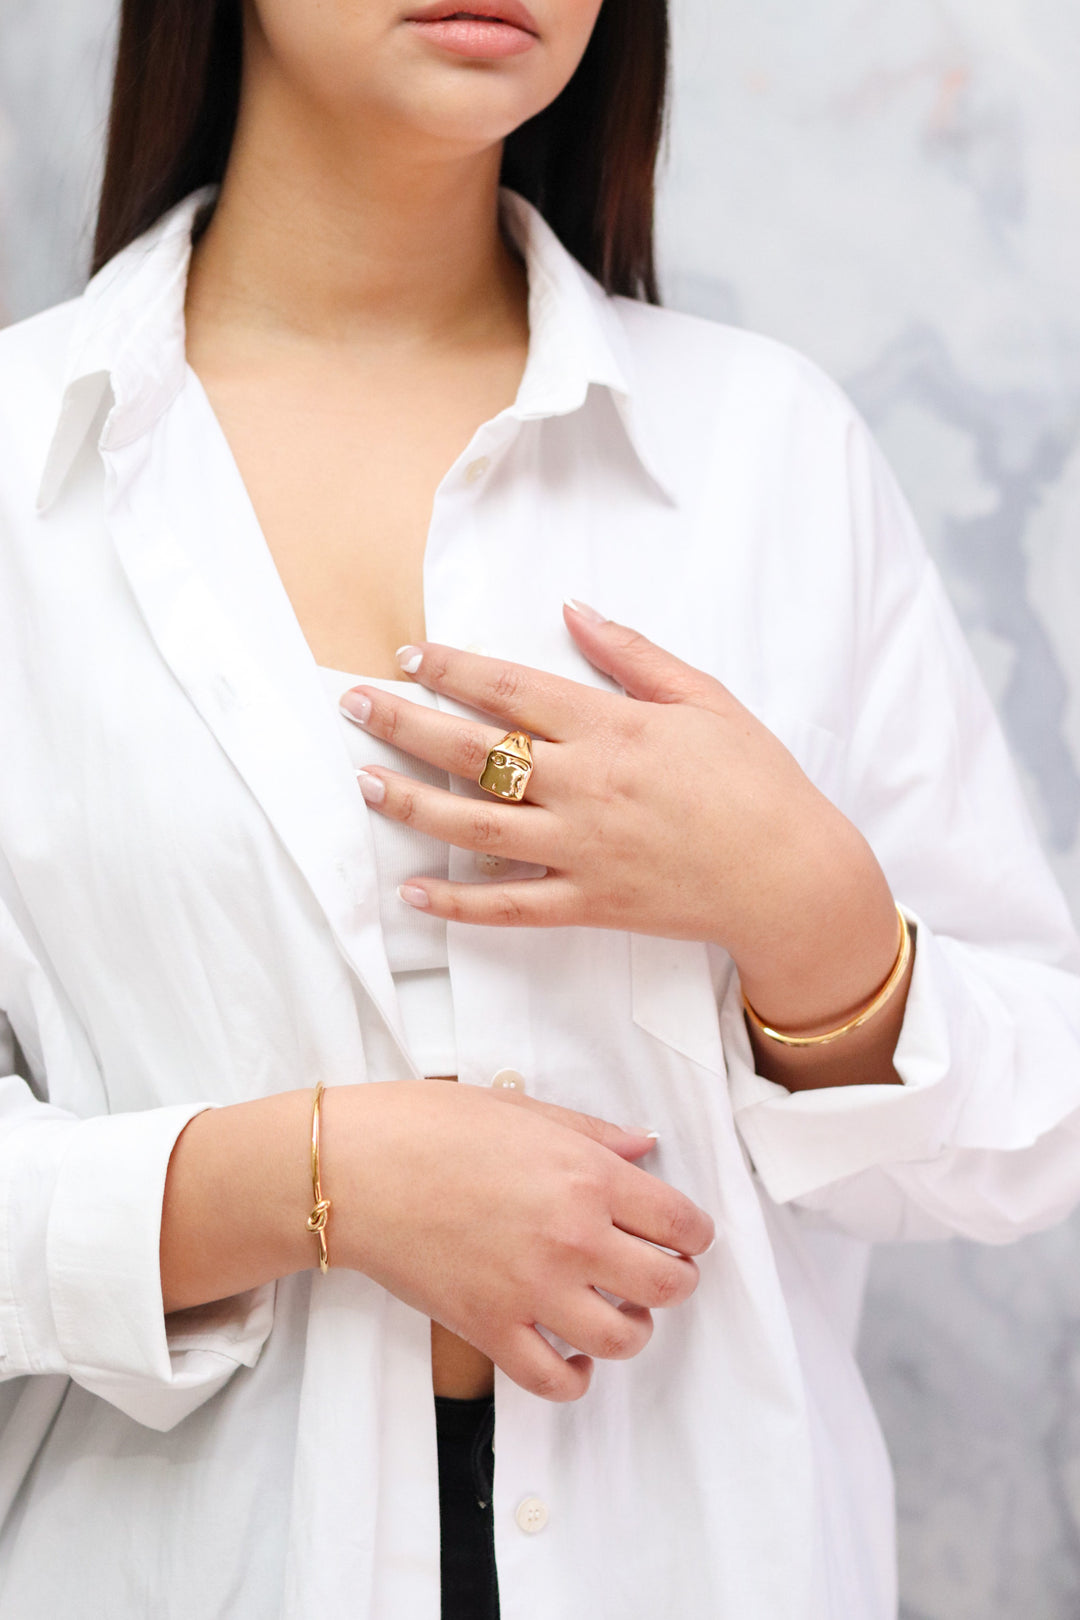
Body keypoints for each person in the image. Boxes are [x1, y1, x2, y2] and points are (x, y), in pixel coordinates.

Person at [0, 0, 1078, 1615]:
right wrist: (310, 1180)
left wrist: (814, 916)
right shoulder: (24, 468)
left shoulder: (765, 453)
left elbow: (1030, 1133)